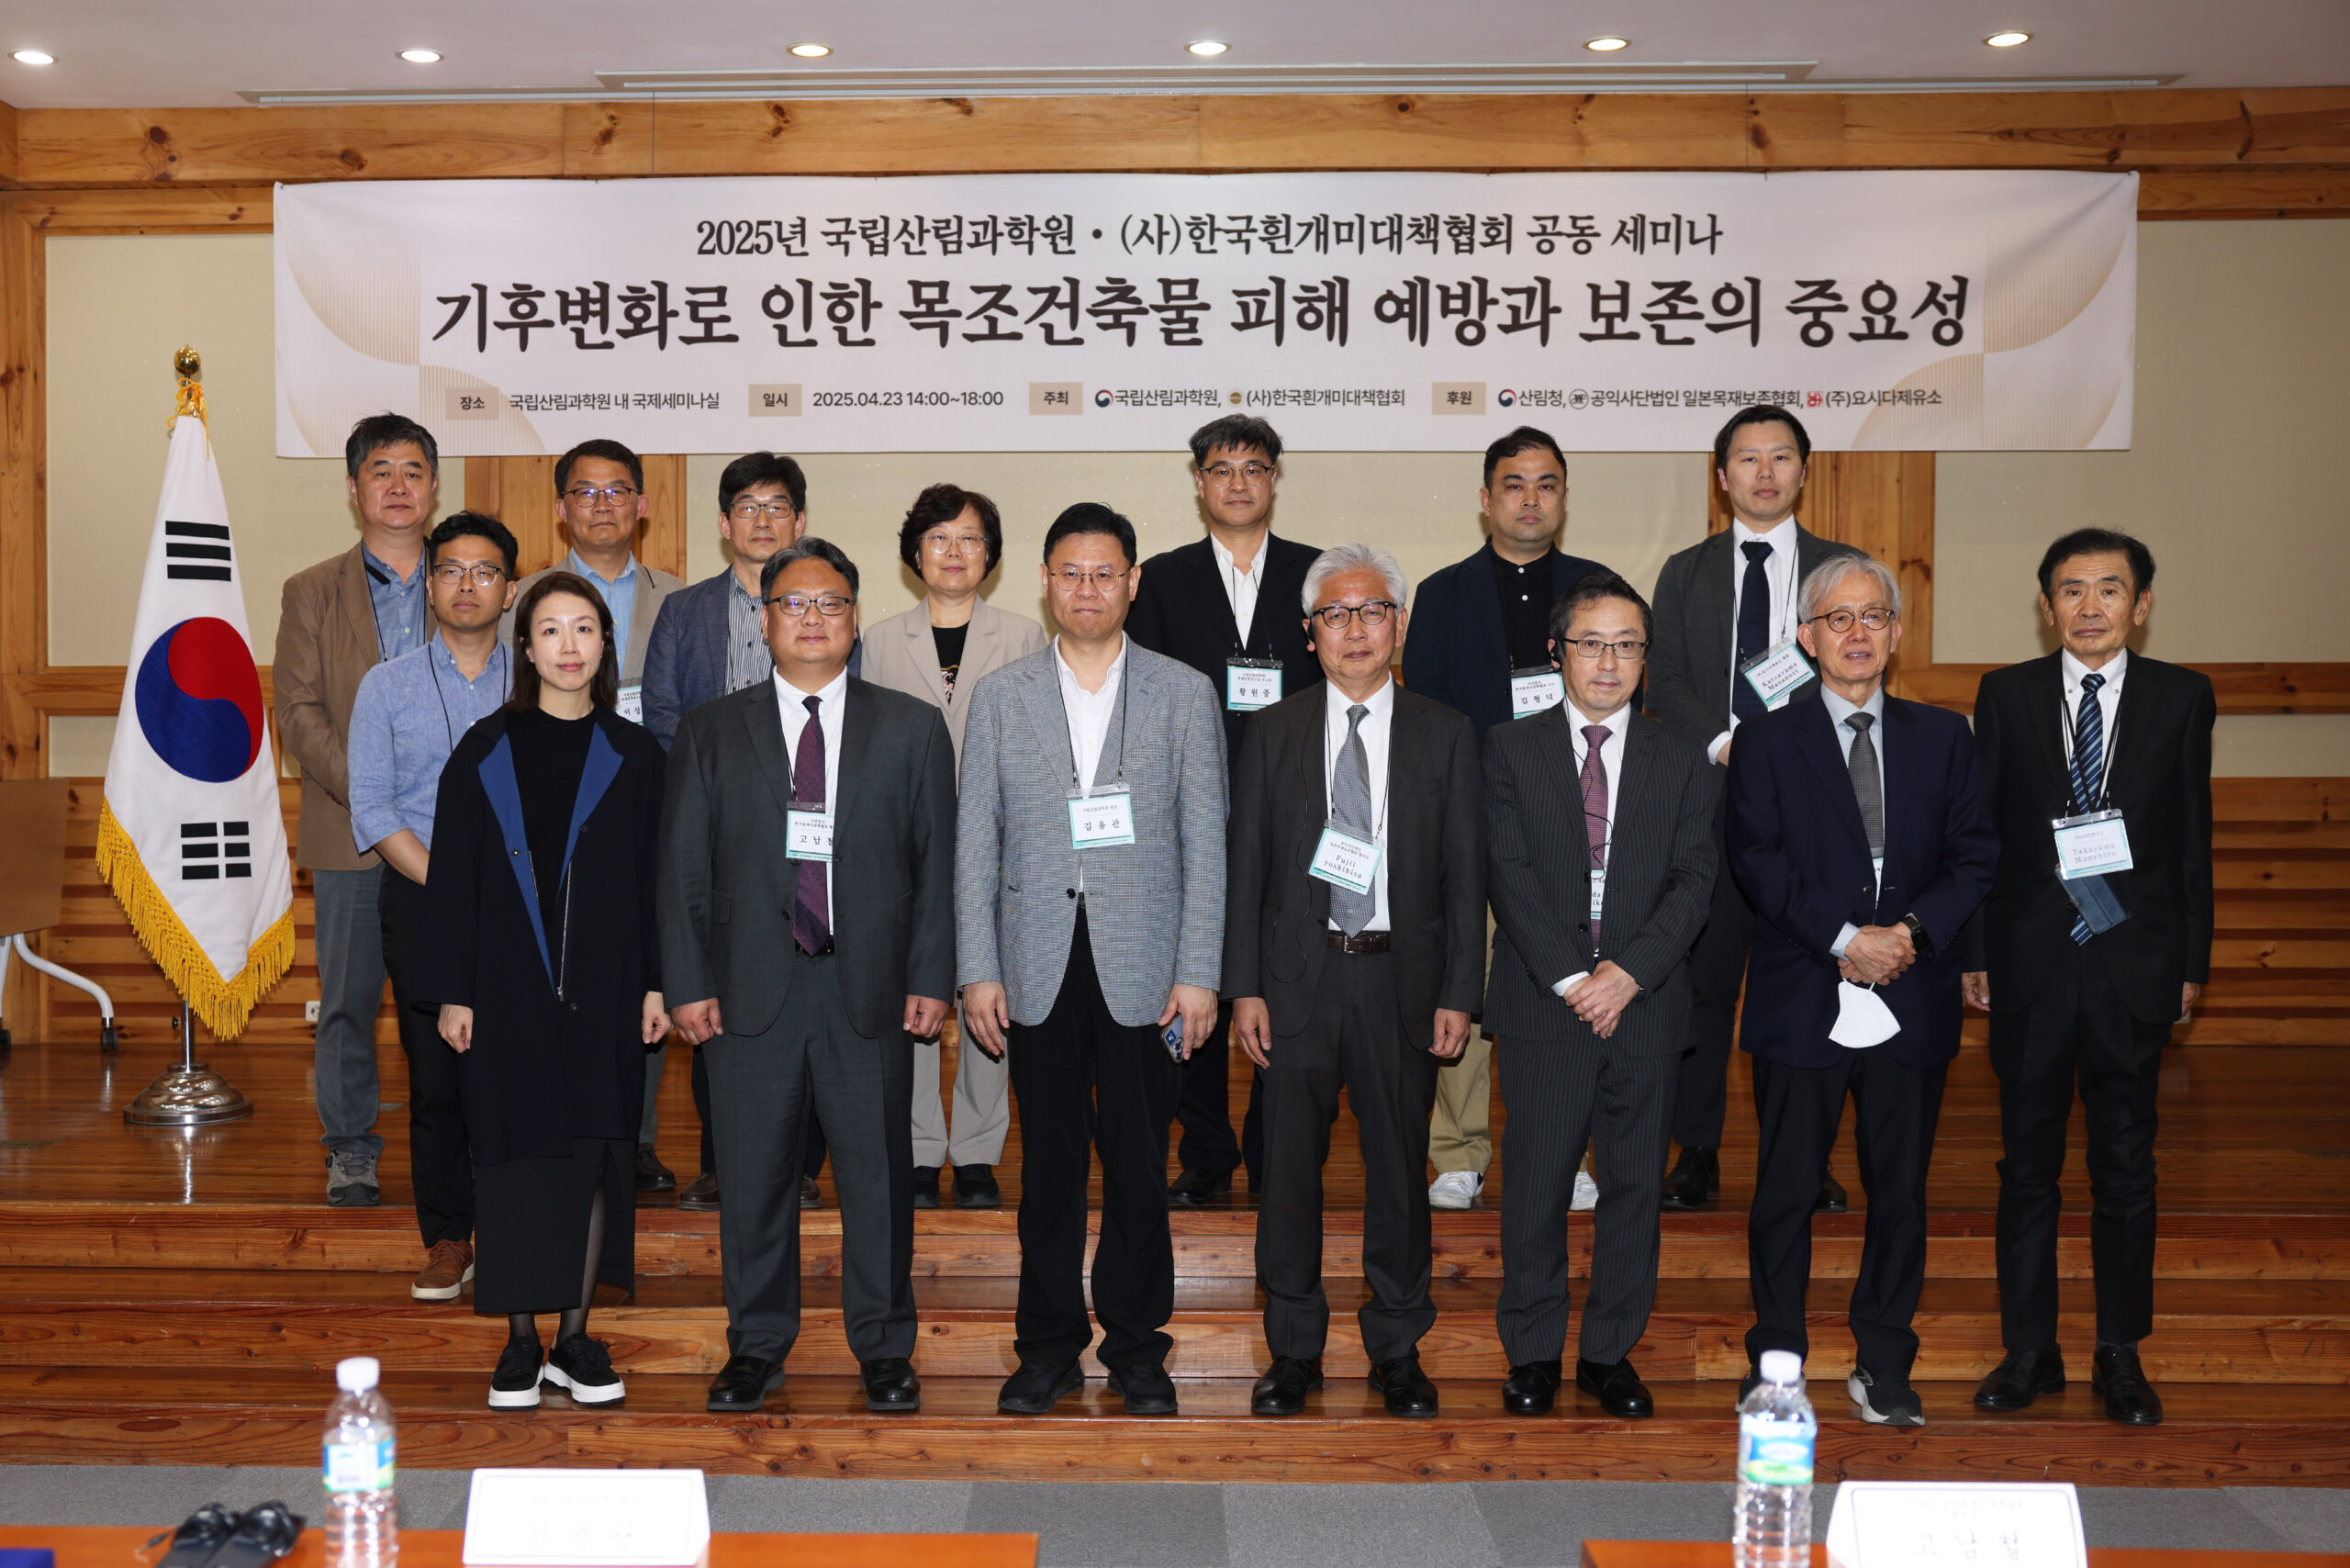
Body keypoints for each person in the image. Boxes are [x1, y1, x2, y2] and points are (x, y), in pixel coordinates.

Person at [658, 538, 957, 1417]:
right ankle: (755, 1346)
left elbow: (937, 865)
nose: (813, 618)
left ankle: (885, 1349)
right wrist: (686, 983)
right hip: (747, 991)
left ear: (855, 619)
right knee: (752, 1183)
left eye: (831, 603)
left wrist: (930, 975)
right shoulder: (712, 729)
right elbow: (680, 870)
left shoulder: (911, 727)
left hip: (870, 991)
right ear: (765, 621)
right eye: (794, 603)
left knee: (878, 1182)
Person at [958, 503, 1226, 1417]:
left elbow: (1206, 843)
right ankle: (1047, 1348)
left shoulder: (1183, 692)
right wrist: (977, 968)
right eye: (1070, 572)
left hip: (1147, 966)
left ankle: (1138, 1347)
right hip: (1034, 963)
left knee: (1140, 1166)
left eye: (1104, 573)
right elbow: (975, 843)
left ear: (1132, 582)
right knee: (1048, 1170)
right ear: (1044, 581)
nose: (1086, 588)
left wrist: (1199, 971)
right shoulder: (1002, 696)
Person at [1728, 555, 1996, 1427]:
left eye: (1872, 616)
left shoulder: (1943, 736)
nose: (1856, 633)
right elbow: (1757, 860)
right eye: (1836, 619)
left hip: (1912, 992)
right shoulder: (1767, 739)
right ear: (1807, 639)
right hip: (1803, 989)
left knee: (1901, 1193)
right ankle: (1777, 1365)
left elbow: (1974, 857)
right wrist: (1847, 940)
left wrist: (1907, 936)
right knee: (1786, 1192)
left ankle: (1883, 1361)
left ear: (1896, 632)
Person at [1225, 544, 1484, 1420]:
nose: (1355, 629)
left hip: (1401, 982)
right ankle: (1293, 1350)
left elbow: (1466, 877)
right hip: (1296, 985)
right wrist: (1244, 988)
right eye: (1335, 615)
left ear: (1399, 626)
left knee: (1400, 1176)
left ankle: (1397, 1349)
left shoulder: (1446, 732)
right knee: (1287, 1175)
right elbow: (1247, 868)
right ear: (1310, 634)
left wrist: (1460, 992)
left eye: (1373, 611)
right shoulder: (1274, 731)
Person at [1964, 530, 2214, 1428]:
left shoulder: (2183, 696)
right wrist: (1976, 951)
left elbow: (2191, 838)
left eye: (2110, 589)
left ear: (2140, 605)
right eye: (2071, 590)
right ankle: (2029, 1348)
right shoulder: (2006, 694)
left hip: (2133, 963)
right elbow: (1982, 837)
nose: (2090, 606)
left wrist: (2191, 963)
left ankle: (2119, 1351)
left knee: (2125, 1166)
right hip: (2031, 962)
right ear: (2046, 607)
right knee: (2026, 1167)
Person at [415, 572, 669, 1411]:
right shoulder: (484, 750)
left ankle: (575, 1338)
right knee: (513, 1160)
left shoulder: (637, 756)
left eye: (584, 628)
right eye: (551, 629)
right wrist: (454, 992)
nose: (569, 645)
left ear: (605, 645)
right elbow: (452, 880)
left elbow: (657, 883)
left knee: (594, 1157)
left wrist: (658, 983)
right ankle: (521, 1343)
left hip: (607, 990)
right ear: (525, 647)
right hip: (504, 990)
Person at [1485, 572, 1720, 1421]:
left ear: (1645, 657)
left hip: (1645, 1007)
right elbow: (1507, 874)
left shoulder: (1680, 757)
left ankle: (1608, 1354)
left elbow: (1695, 880)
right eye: (1592, 644)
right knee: (1536, 1186)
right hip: (1544, 1004)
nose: (1610, 662)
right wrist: (1575, 980)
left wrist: (1627, 974)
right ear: (1558, 654)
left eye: (1627, 645)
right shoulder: (1508, 749)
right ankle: (1533, 1352)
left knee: (1633, 1189)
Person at [1646, 405, 1866, 1215]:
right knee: (1704, 984)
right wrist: (1724, 744)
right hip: (1709, 800)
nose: (1765, 472)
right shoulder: (1686, 571)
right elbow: (1664, 677)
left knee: (1811, 981)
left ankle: (1805, 1157)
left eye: (1780, 457)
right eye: (1748, 458)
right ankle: (1696, 1150)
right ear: (1722, 476)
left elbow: (1859, 671)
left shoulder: (1843, 569)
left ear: (1804, 471)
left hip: (1815, 803)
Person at [1399, 426, 1610, 1214]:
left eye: (1546, 484)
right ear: (1486, 498)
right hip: (1473, 819)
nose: (1530, 499)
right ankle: (1458, 1152)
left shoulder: (1598, 590)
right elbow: (1425, 718)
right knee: (1465, 979)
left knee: (1567, 986)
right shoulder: (1444, 593)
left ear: (1564, 497)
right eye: (1514, 484)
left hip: (1576, 823)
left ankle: (1566, 1148)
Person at [1128, 414, 1321, 1207]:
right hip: (1190, 816)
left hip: (1297, 814)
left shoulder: (1316, 574)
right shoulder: (1161, 579)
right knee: (1196, 979)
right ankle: (1206, 1150)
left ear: (1275, 478)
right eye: (1221, 469)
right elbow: (1141, 697)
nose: (1238, 482)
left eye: (1253, 467)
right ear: (1199, 482)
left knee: (1289, 982)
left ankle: (1275, 1146)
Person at [860, 484, 1048, 1210]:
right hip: (903, 846)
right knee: (911, 994)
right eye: (939, 537)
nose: (954, 552)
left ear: (990, 555)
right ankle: (915, 1147)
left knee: (989, 994)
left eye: (970, 538)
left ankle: (975, 1148)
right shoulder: (879, 640)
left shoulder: (1025, 638)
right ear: (915, 553)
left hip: (999, 844)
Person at [639, 451, 817, 1212]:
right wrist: (717, 792)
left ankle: (800, 1166)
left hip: (809, 831)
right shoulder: (685, 612)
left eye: (776, 506)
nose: (762, 520)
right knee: (717, 1001)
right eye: (747, 506)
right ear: (723, 523)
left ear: (799, 521)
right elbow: (661, 716)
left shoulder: (823, 601)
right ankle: (721, 1161)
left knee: (806, 998)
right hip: (716, 835)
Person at [346, 511, 517, 1300]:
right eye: (450, 570)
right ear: (429, 587)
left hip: (529, 909)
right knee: (438, 1080)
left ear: (509, 590)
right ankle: (449, 1236)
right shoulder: (385, 686)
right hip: (422, 900)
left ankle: (515, 1230)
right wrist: (452, 886)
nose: (466, 585)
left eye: (485, 571)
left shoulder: (544, 678)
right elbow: (374, 808)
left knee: (519, 1073)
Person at [276, 414, 443, 1207]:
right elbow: (297, 711)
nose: (398, 486)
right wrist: (374, 793)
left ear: (434, 486)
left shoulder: (468, 578)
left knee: (450, 997)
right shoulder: (311, 590)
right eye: (382, 471)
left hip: (450, 833)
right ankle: (349, 1149)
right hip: (349, 831)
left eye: (413, 471)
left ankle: (461, 1141)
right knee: (348, 1000)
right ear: (354, 488)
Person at [504, 441, 684, 726]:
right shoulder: (519, 600)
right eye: (586, 493)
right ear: (562, 510)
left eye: (617, 492)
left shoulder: (678, 597)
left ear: (641, 507)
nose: (602, 506)